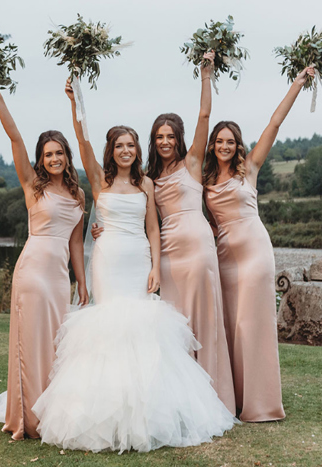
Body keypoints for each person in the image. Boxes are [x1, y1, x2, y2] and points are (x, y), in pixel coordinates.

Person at [30, 79, 237, 453]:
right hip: (108, 260)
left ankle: (148, 413)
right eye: (119, 146)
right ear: (112, 151)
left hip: (138, 257)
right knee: (109, 329)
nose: (125, 151)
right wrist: (77, 103)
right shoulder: (98, 179)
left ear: (137, 150)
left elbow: (154, 228)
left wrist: (156, 266)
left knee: (143, 330)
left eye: (131, 145)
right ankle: (104, 416)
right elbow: (83, 141)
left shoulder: (147, 183)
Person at [91, 52, 235, 413]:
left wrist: (206, 74)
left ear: (180, 138)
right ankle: (177, 399)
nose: (165, 141)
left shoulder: (192, 164)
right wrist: (101, 229)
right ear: (152, 143)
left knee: (203, 318)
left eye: (170, 136)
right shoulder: (148, 180)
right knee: (170, 326)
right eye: (159, 137)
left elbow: (205, 116)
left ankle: (214, 398)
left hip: (197, 247)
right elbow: (138, 219)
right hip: (165, 256)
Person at [203, 66, 315, 422]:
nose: (224, 146)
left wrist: (297, 84)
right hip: (223, 256)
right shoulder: (204, 180)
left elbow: (275, 123)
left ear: (238, 145)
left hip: (254, 252)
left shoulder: (248, 169)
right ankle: (233, 399)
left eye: (230, 141)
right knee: (230, 325)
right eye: (219, 141)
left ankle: (260, 404)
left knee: (253, 324)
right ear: (212, 146)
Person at [0, 75, 88, 440]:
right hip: (32, 271)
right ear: (41, 160)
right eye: (48, 154)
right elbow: (15, 138)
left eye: (59, 153)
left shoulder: (78, 195)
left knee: (56, 345)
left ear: (66, 157)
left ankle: (53, 414)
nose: (54, 158)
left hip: (59, 277)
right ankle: (27, 419)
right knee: (30, 343)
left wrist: (82, 285)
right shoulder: (32, 185)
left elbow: (77, 245)